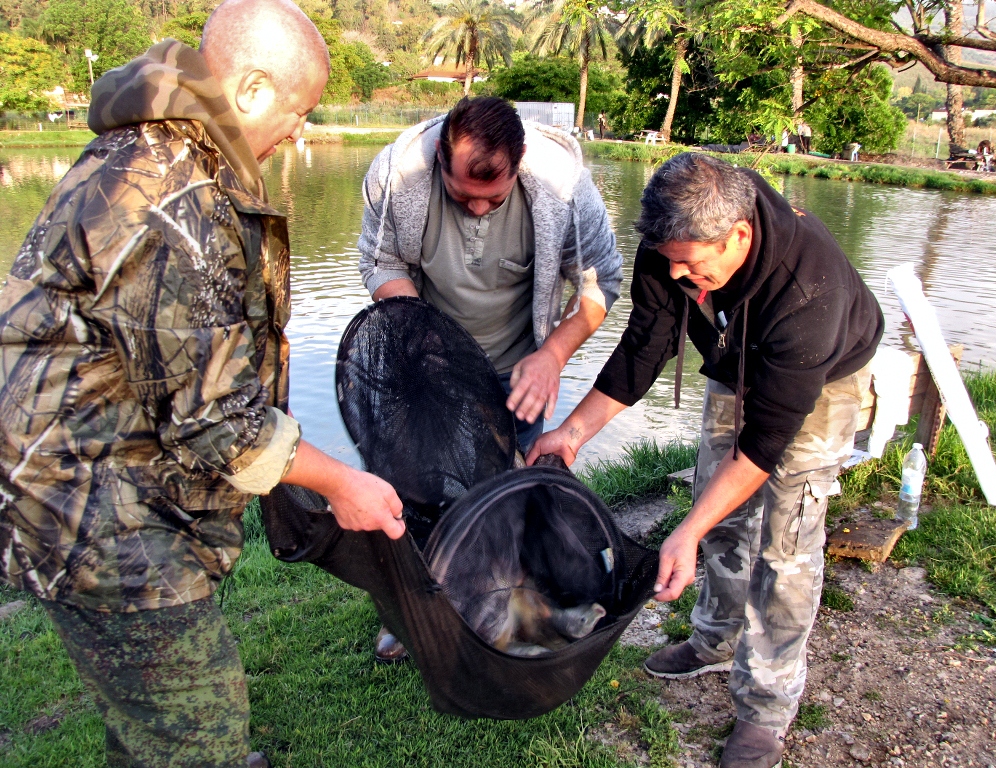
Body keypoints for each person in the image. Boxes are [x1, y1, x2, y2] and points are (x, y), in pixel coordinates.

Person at [0, 2, 405, 766]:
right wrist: (343, 483)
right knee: (197, 730)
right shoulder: (166, 194)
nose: (302, 132)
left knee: (156, 726)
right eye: (300, 111)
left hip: (121, 488)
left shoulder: (178, 158)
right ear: (251, 90)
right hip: (91, 510)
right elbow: (217, 421)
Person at [528, 153, 883, 768]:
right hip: (731, 366)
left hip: (820, 384)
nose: (679, 274)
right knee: (713, 512)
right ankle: (713, 638)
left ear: (738, 235)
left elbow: (766, 444)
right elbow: (646, 347)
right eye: (670, 261)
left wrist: (682, 535)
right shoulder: (672, 246)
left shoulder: (807, 290)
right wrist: (573, 432)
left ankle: (765, 709)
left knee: (786, 546)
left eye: (691, 263)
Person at [358, 95, 622, 662]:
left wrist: (553, 354)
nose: (477, 209)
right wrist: (425, 335)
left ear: (520, 162)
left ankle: (506, 607)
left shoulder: (565, 190)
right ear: (439, 166)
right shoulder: (397, 174)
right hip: (425, 369)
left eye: (493, 197)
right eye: (462, 196)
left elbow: (602, 286)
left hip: (519, 370)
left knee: (510, 495)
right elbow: (380, 263)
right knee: (418, 496)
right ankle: (414, 615)